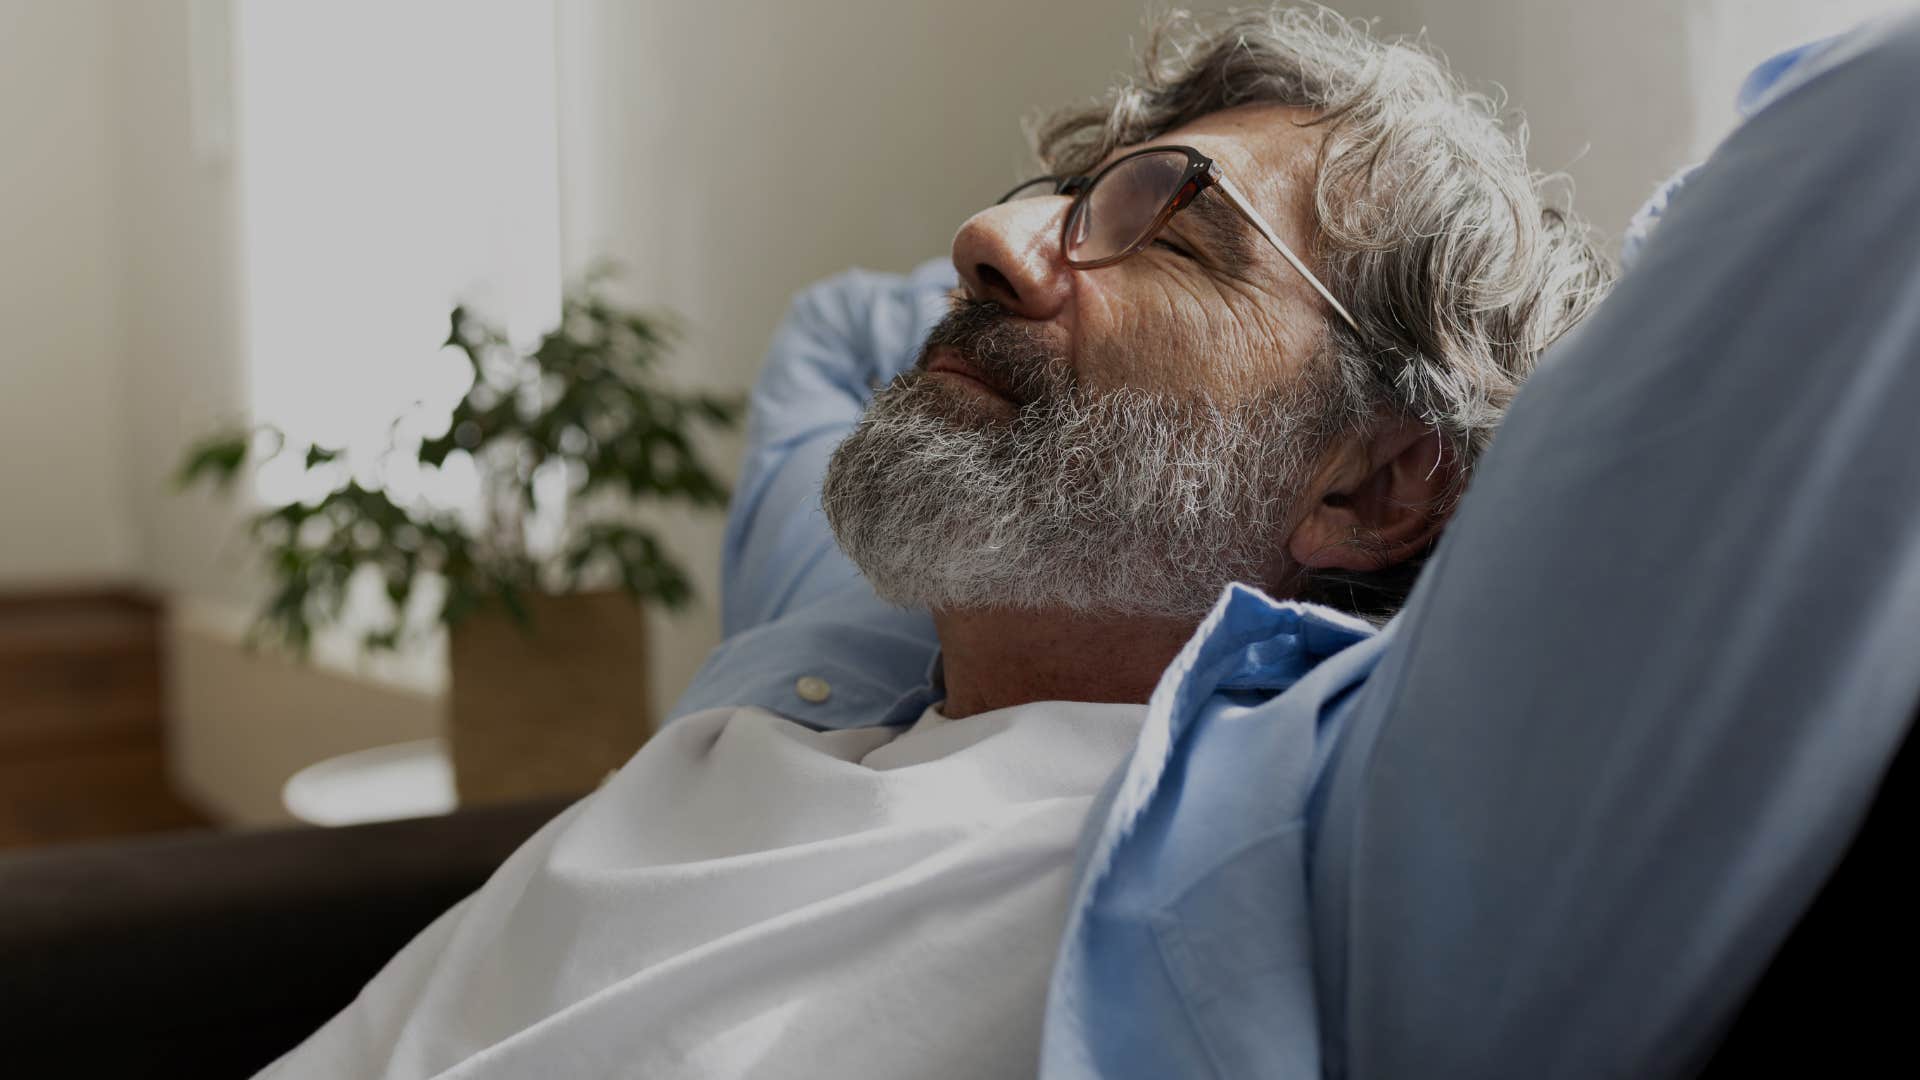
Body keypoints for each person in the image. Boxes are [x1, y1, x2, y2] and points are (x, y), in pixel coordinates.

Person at [264, 4, 1920, 1078]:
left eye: (1173, 229)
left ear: (1371, 488)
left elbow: (1873, 157)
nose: (984, 239)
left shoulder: (1331, 831)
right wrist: (1098, 233)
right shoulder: (830, 641)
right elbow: (842, 329)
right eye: (1055, 195)